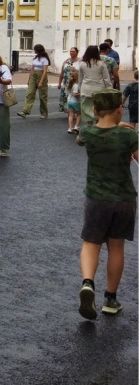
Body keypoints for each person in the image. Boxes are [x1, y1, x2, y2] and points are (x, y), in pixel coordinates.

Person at [75, 89, 138, 320]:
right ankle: (110, 298)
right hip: (123, 200)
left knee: (91, 244)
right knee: (116, 247)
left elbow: (80, 138)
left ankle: (88, 283)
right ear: (120, 109)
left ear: (95, 110)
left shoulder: (87, 133)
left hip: (96, 198)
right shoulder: (129, 136)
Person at [77, 45, 111, 126]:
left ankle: (89, 127)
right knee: (98, 110)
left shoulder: (82, 64)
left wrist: (80, 89)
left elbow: (80, 79)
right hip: (99, 89)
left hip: (86, 89)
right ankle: (97, 126)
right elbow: (106, 78)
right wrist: (109, 89)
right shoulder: (101, 63)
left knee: (87, 110)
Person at [17, 44, 51, 119]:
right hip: (33, 75)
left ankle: (44, 113)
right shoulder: (35, 58)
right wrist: (29, 79)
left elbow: (45, 71)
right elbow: (32, 68)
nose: (34, 51)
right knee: (30, 93)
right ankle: (25, 111)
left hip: (41, 75)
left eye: (35, 49)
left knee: (42, 96)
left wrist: (41, 81)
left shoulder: (44, 59)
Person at [58, 47, 80, 115]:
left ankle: (76, 111)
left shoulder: (81, 61)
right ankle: (69, 112)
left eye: (73, 51)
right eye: (70, 51)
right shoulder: (66, 61)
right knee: (67, 97)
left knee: (75, 97)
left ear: (77, 52)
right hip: (66, 83)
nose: (71, 53)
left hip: (76, 82)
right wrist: (59, 83)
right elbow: (62, 73)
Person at [66, 68, 81, 133]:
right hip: (76, 102)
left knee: (71, 115)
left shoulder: (70, 85)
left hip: (69, 101)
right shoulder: (76, 85)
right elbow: (75, 94)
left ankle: (70, 128)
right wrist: (81, 93)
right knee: (79, 114)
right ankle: (76, 126)